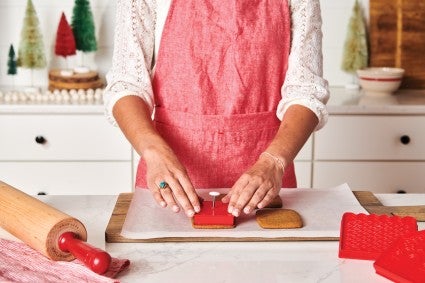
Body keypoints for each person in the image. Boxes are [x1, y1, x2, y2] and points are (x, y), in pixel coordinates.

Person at [104, 0, 329, 219]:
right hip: (170, 184)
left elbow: (306, 91)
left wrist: (274, 162)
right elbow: (127, 83)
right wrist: (153, 151)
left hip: (266, 183)